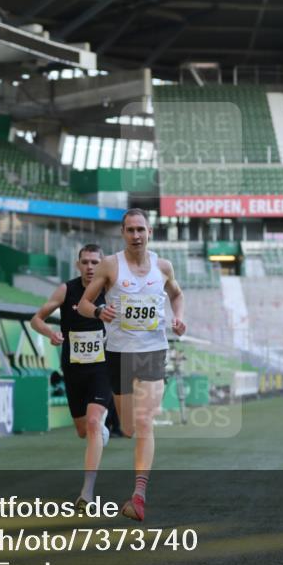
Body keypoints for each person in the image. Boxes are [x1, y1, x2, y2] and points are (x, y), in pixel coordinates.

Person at [78, 208, 186, 522]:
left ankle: (139, 496)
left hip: (153, 350)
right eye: (130, 230)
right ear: (123, 233)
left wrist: (180, 318)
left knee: (144, 420)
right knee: (128, 427)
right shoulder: (111, 265)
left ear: (150, 232)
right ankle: (117, 432)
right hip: (118, 354)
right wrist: (99, 313)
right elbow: (85, 303)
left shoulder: (163, 266)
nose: (136, 236)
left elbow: (177, 296)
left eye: (141, 229)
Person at [30, 244, 114, 510]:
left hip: (103, 369)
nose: (90, 267)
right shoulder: (66, 290)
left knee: (91, 422)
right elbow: (37, 319)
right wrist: (51, 334)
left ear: (103, 265)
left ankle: (87, 492)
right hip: (74, 370)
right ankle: (100, 431)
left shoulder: (112, 291)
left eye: (95, 262)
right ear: (78, 265)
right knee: (83, 431)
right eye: (86, 262)